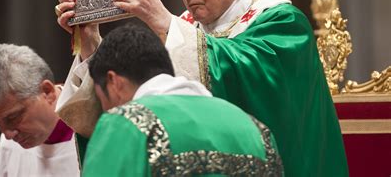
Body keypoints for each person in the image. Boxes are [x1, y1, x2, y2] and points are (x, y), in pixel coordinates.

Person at [55, 0, 348, 176]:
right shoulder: (183, 29)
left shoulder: (283, 22)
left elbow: (248, 83)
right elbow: (130, 99)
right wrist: (90, 41)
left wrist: (164, 22)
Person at [82, 24, 283, 176]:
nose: (108, 111)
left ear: (113, 81)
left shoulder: (126, 123)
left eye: (102, 101)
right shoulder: (256, 130)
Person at [0, 44, 80, 177]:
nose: (8, 135)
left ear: (47, 92)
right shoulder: (9, 146)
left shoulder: (95, 133)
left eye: (12, 118)